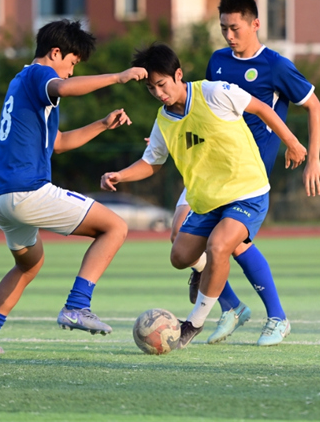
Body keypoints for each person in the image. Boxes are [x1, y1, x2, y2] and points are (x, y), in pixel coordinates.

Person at [100, 43, 307, 349]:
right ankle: (233, 304)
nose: (158, 93)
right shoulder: (163, 120)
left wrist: (292, 142)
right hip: (207, 201)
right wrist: (120, 174)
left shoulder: (213, 92)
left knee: (220, 246)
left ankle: (195, 323)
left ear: (178, 75)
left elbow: (262, 108)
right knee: (180, 257)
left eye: (162, 84)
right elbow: (151, 162)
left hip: (246, 191)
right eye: (151, 88)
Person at [0, 19, 146, 356]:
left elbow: (59, 143)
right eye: (72, 63)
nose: (71, 71)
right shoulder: (39, 75)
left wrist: (102, 124)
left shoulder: (20, 82)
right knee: (115, 227)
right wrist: (118, 77)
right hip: (27, 192)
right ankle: (77, 305)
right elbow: (63, 87)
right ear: (54, 53)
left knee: (29, 265)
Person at [173, 0, 320, 346]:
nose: (229, 36)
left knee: (228, 243)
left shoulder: (276, 66)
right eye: (223, 28)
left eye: (235, 28)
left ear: (255, 24)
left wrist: (312, 157)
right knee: (182, 237)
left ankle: (275, 317)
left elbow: (315, 107)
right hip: (211, 166)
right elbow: (204, 109)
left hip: (246, 173)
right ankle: (231, 305)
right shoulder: (217, 61)